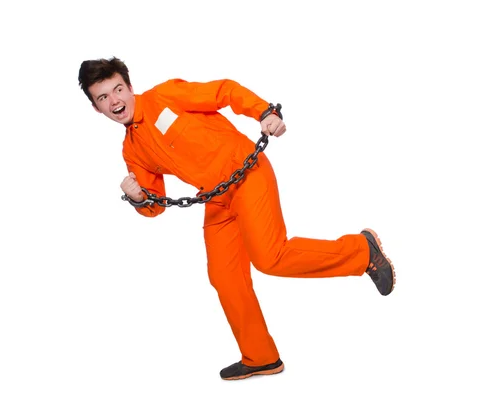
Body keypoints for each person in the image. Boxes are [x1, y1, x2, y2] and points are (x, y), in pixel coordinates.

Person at [78, 57, 396, 381]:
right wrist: (137, 198)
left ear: (130, 87)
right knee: (224, 276)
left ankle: (361, 252)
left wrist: (264, 112)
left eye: (118, 89)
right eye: (103, 97)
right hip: (216, 198)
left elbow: (224, 92)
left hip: (247, 173)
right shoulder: (132, 150)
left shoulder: (165, 96)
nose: (115, 101)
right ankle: (261, 356)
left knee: (270, 257)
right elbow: (155, 203)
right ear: (96, 108)